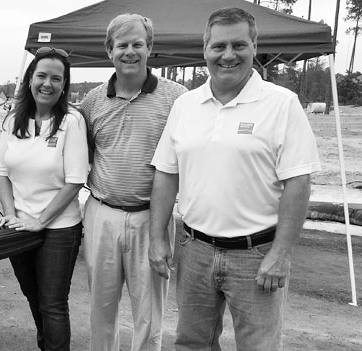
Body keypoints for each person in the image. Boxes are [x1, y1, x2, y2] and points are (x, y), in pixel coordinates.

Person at [149, 7, 321, 351]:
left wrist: (281, 253)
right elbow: (167, 175)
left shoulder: (281, 104)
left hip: (256, 253)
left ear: (254, 45)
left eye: (239, 45)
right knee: (192, 343)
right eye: (219, 47)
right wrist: (157, 238)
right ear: (205, 49)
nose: (228, 55)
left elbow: (298, 183)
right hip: (193, 249)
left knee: (259, 345)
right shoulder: (186, 105)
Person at [80, 14, 187, 351]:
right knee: (101, 308)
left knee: (149, 313)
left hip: (152, 218)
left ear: (149, 48)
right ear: (109, 50)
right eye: (122, 45)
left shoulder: (176, 98)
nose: (130, 51)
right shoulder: (91, 102)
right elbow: (82, 158)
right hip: (101, 213)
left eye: (137, 44)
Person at [0, 47, 89, 351]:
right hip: (20, 225)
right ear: (30, 79)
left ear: (64, 85)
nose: (48, 84)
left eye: (56, 79)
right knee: (34, 298)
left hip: (59, 227)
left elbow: (75, 181)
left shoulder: (71, 121)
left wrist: (40, 221)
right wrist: (11, 214)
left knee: (52, 304)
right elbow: (2, 173)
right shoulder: (11, 120)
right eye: (42, 75)